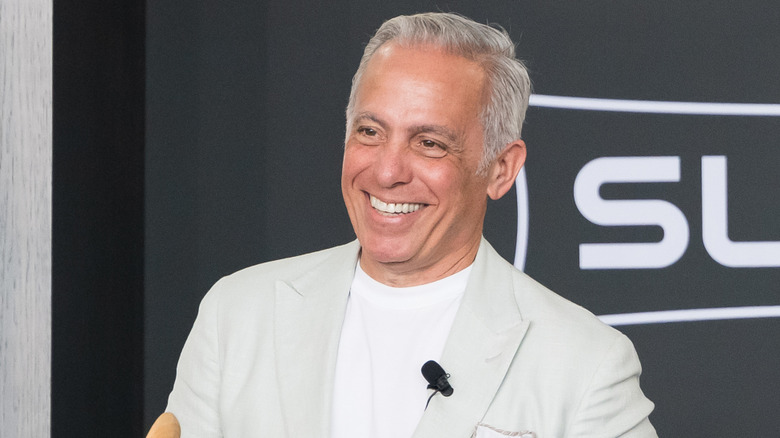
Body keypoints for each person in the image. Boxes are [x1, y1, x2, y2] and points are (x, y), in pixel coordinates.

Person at [159, 12, 657, 438]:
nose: (387, 172)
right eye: (370, 132)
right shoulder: (237, 315)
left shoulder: (587, 365)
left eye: (430, 143)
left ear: (501, 169)